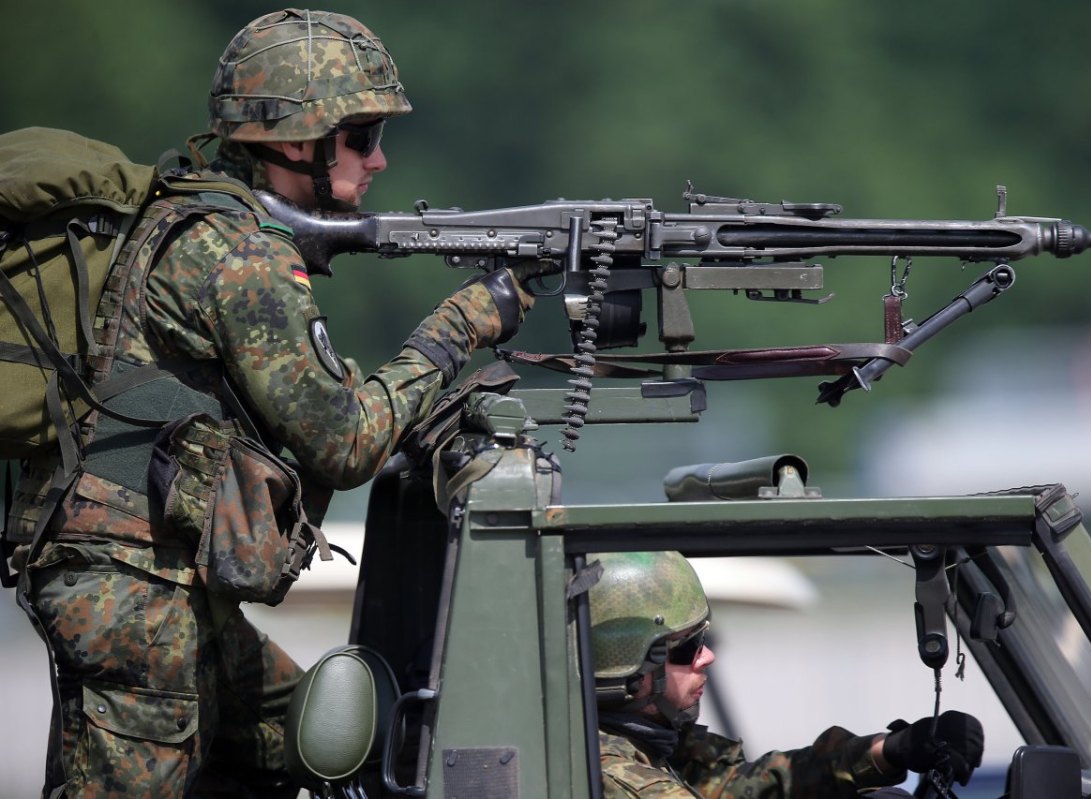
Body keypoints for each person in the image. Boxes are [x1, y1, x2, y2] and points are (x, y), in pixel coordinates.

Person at [5, 9, 546, 798]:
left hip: (158, 584)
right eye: (362, 135)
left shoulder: (208, 223)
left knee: (335, 748)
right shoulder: (240, 257)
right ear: (298, 142)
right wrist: (460, 325)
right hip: (131, 599)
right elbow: (345, 442)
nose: (381, 159)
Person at [588, 551, 985, 798]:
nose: (707, 657)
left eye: (704, 640)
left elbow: (746, 788)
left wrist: (890, 749)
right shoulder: (611, 773)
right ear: (633, 670)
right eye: (687, 648)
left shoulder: (652, 751)